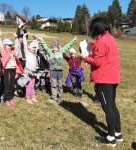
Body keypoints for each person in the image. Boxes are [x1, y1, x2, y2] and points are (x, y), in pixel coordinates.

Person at [79, 17, 122, 147]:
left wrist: (84, 57)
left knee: (107, 107)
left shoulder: (102, 41)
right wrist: (90, 45)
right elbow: (101, 51)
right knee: (112, 105)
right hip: (113, 77)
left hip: (104, 79)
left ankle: (110, 138)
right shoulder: (110, 38)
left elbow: (97, 62)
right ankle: (117, 133)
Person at [39, 36, 77, 102]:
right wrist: (42, 40)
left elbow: (67, 46)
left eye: (56, 47)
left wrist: (73, 40)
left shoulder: (61, 52)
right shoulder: (50, 53)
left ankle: (61, 95)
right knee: (53, 84)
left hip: (60, 71)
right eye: (53, 47)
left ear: (58, 47)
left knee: (60, 84)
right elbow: (45, 47)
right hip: (53, 71)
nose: (55, 49)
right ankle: (54, 96)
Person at [0, 29, 24, 107]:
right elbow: (0, 46)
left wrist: (16, 38)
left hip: (13, 70)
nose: (10, 46)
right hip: (6, 70)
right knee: (7, 85)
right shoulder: (3, 52)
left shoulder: (13, 52)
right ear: (5, 45)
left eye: (10, 45)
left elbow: (17, 45)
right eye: (9, 45)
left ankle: (11, 97)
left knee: (12, 85)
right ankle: (6, 98)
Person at [24, 34, 39, 104]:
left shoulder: (34, 54)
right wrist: (24, 37)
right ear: (29, 48)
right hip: (28, 72)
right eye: (33, 48)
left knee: (32, 85)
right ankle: (27, 97)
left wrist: (35, 39)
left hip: (34, 72)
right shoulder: (27, 53)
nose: (34, 49)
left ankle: (32, 96)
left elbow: (37, 47)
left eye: (35, 48)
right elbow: (25, 45)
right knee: (29, 85)